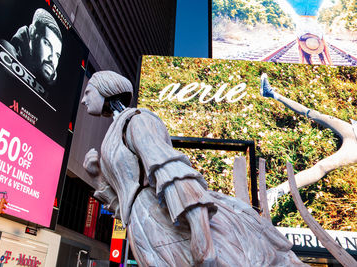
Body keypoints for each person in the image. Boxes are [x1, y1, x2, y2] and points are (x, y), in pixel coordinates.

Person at [82, 70, 307, 266]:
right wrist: (97, 176)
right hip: (144, 229)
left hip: (167, 222)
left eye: (88, 92)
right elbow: (124, 205)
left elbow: (170, 170)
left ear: (106, 89)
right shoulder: (113, 133)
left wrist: (201, 234)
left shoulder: (137, 120)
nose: (83, 99)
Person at [261, 73, 357, 207]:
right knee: (314, 114)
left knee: (322, 167)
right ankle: (271, 93)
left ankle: (277, 191)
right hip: (353, 130)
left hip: (354, 149)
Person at [2, 8, 62, 85]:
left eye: (57, 55)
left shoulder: (48, 78)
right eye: (47, 43)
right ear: (32, 32)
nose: (52, 59)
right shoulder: (6, 53)